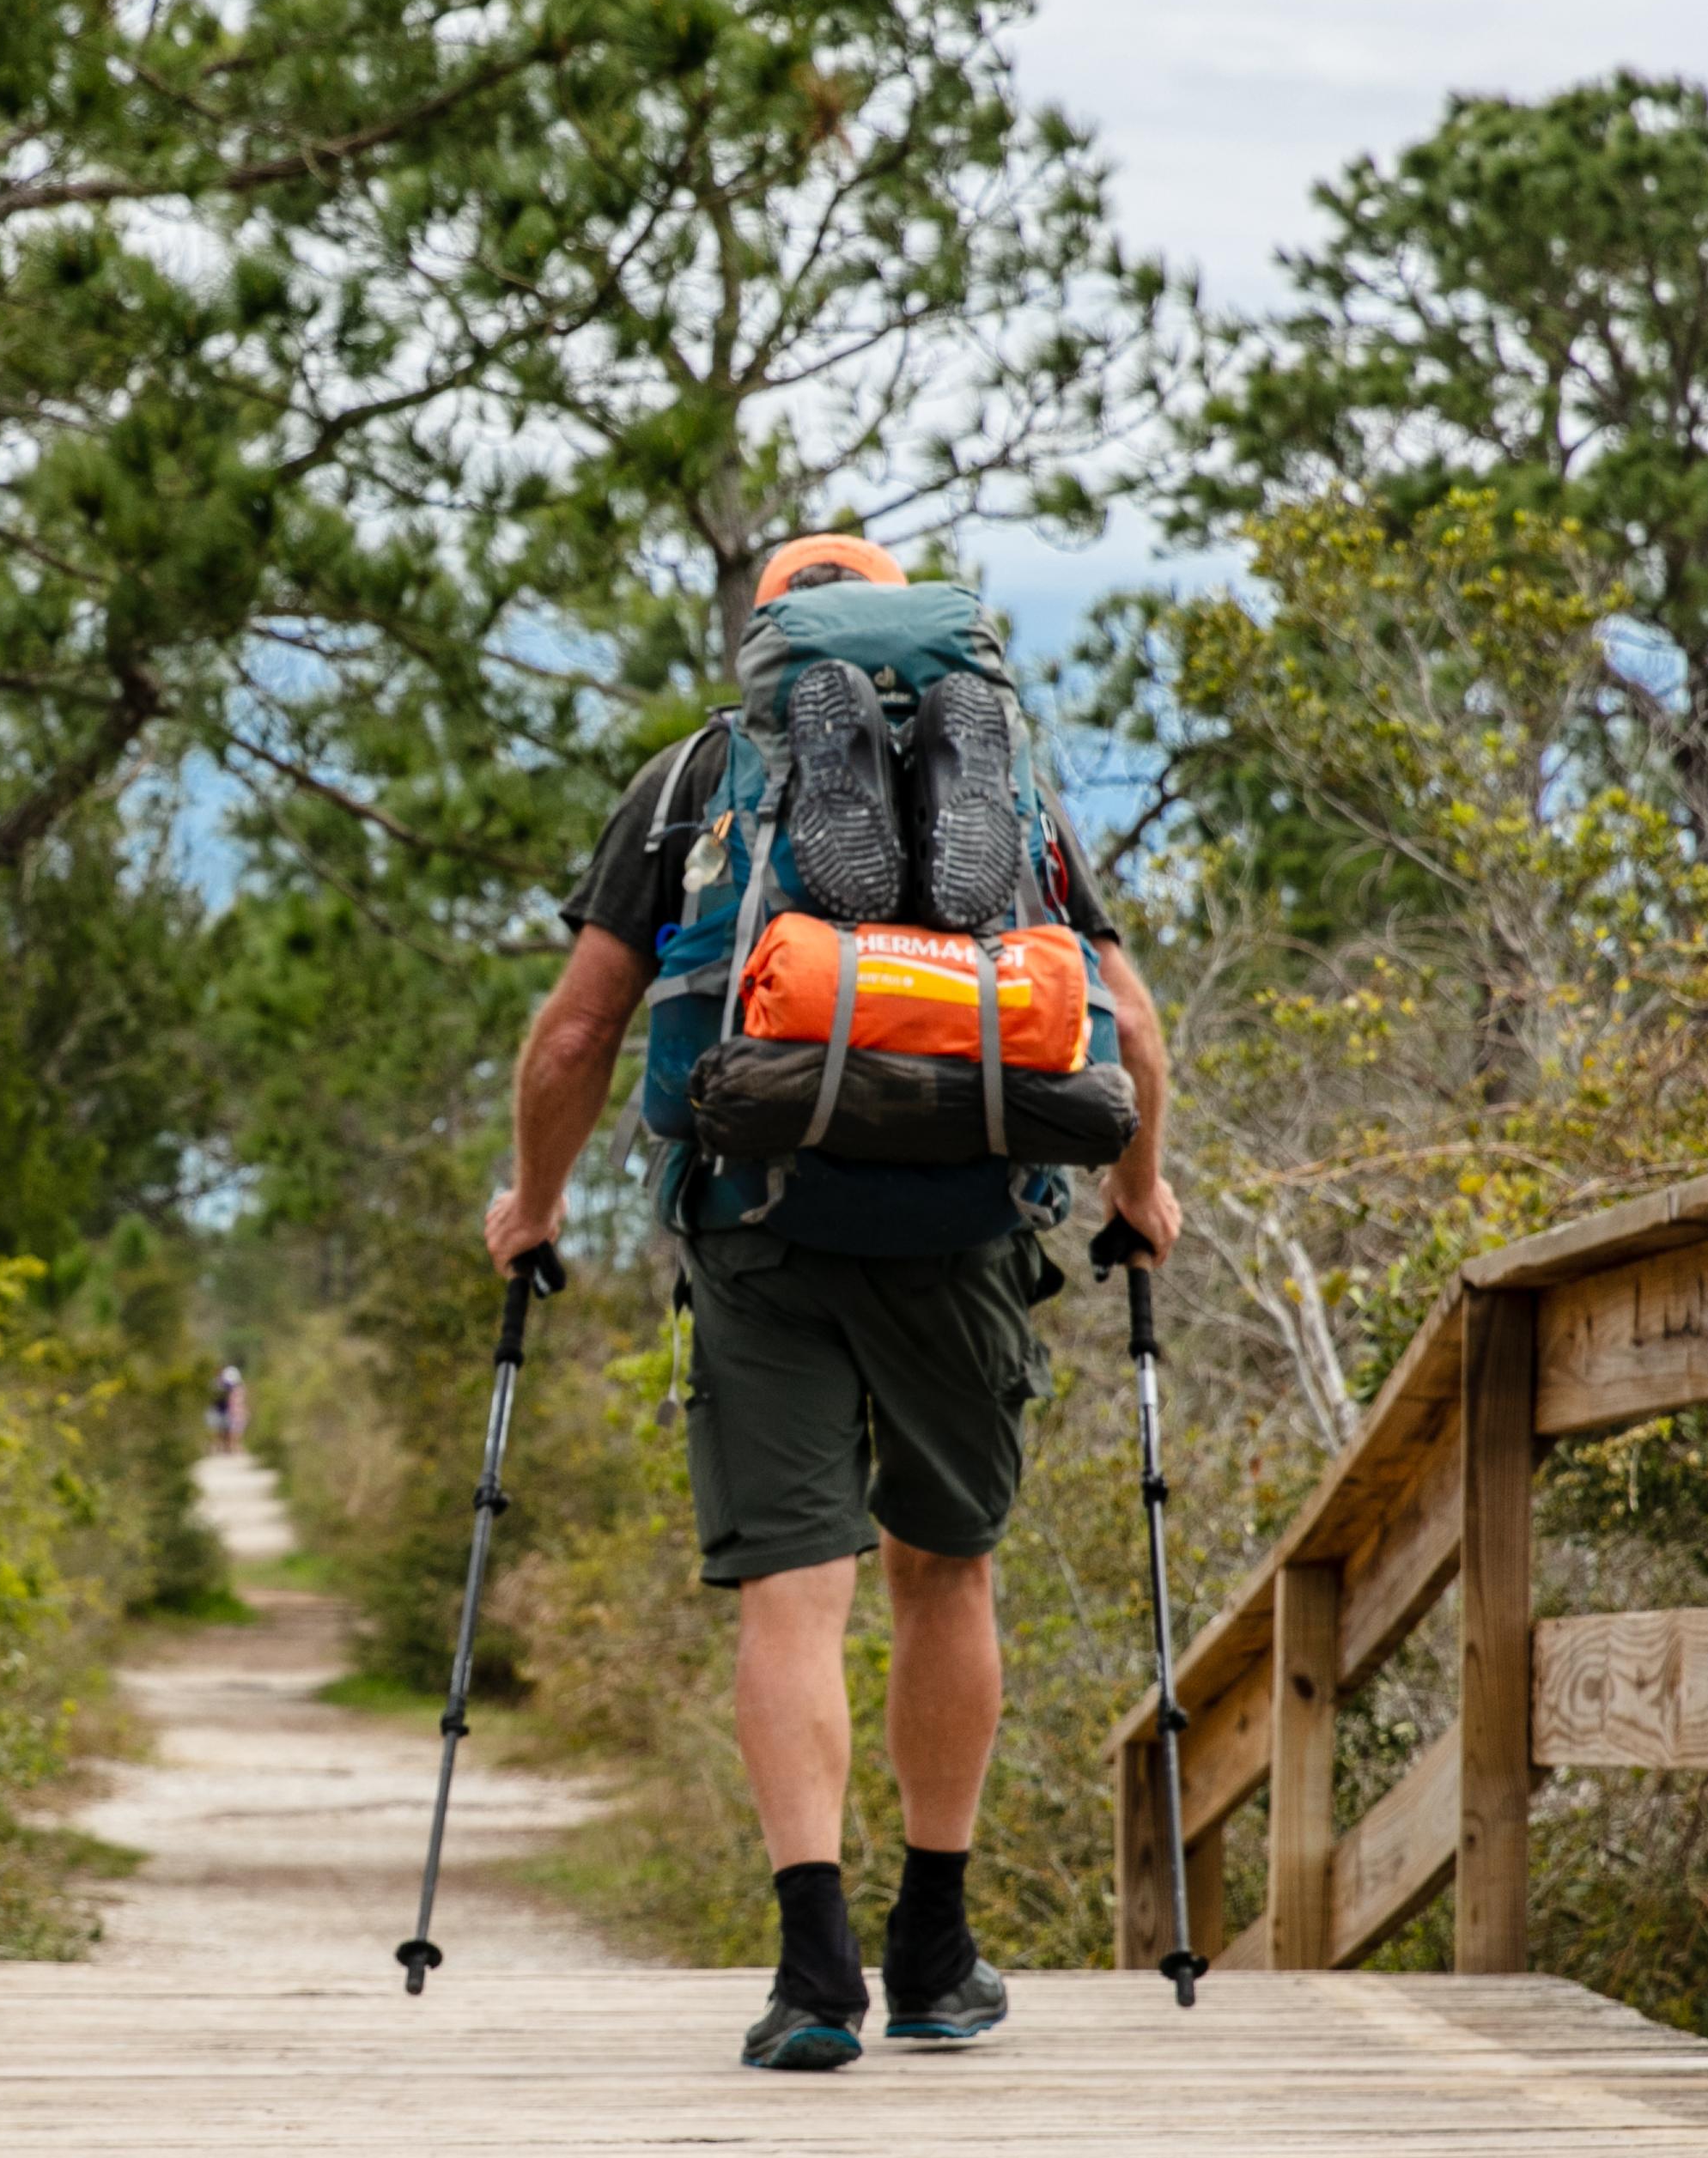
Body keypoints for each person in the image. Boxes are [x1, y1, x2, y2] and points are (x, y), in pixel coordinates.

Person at [482, 535, 1182, 2071]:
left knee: (801, 1588)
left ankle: (815, 1973)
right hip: (966, 1228)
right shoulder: (1001, 788)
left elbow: (576, 1033)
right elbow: (1124, 1020)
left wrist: (533, 1208)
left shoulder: (693, 784)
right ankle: (936, 1945)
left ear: (770, 641)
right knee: (951, 1573)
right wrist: (1140, 1200)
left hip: (763, 1219)